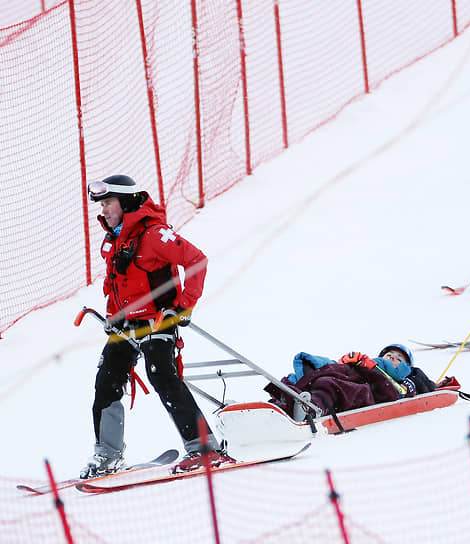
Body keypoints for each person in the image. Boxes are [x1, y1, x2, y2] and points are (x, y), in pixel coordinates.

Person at [80, 174, 229, 478]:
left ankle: (204, 449)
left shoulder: (154, 234)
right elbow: (117, 285)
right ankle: (107, 455)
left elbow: (197, 261)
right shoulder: (113, 240)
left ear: (125, 201)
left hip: (158, 320)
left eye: (109, 202)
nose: (104, 209)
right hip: (126, 325)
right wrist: (113, 315)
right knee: (106, 382)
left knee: (162, 375)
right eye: (102, 203)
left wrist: (183, 306)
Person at [263, 344, 437, 421]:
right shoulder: (368, 362)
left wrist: (370, 368)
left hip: (366, 390)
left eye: (399, 358)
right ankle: (283, 402)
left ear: (406, 367)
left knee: (331, 384)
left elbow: (392, 392)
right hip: (351, 376)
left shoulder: (404, 381)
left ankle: (311, 408)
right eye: (389, 354)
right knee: (317, 372)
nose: (393, 357)